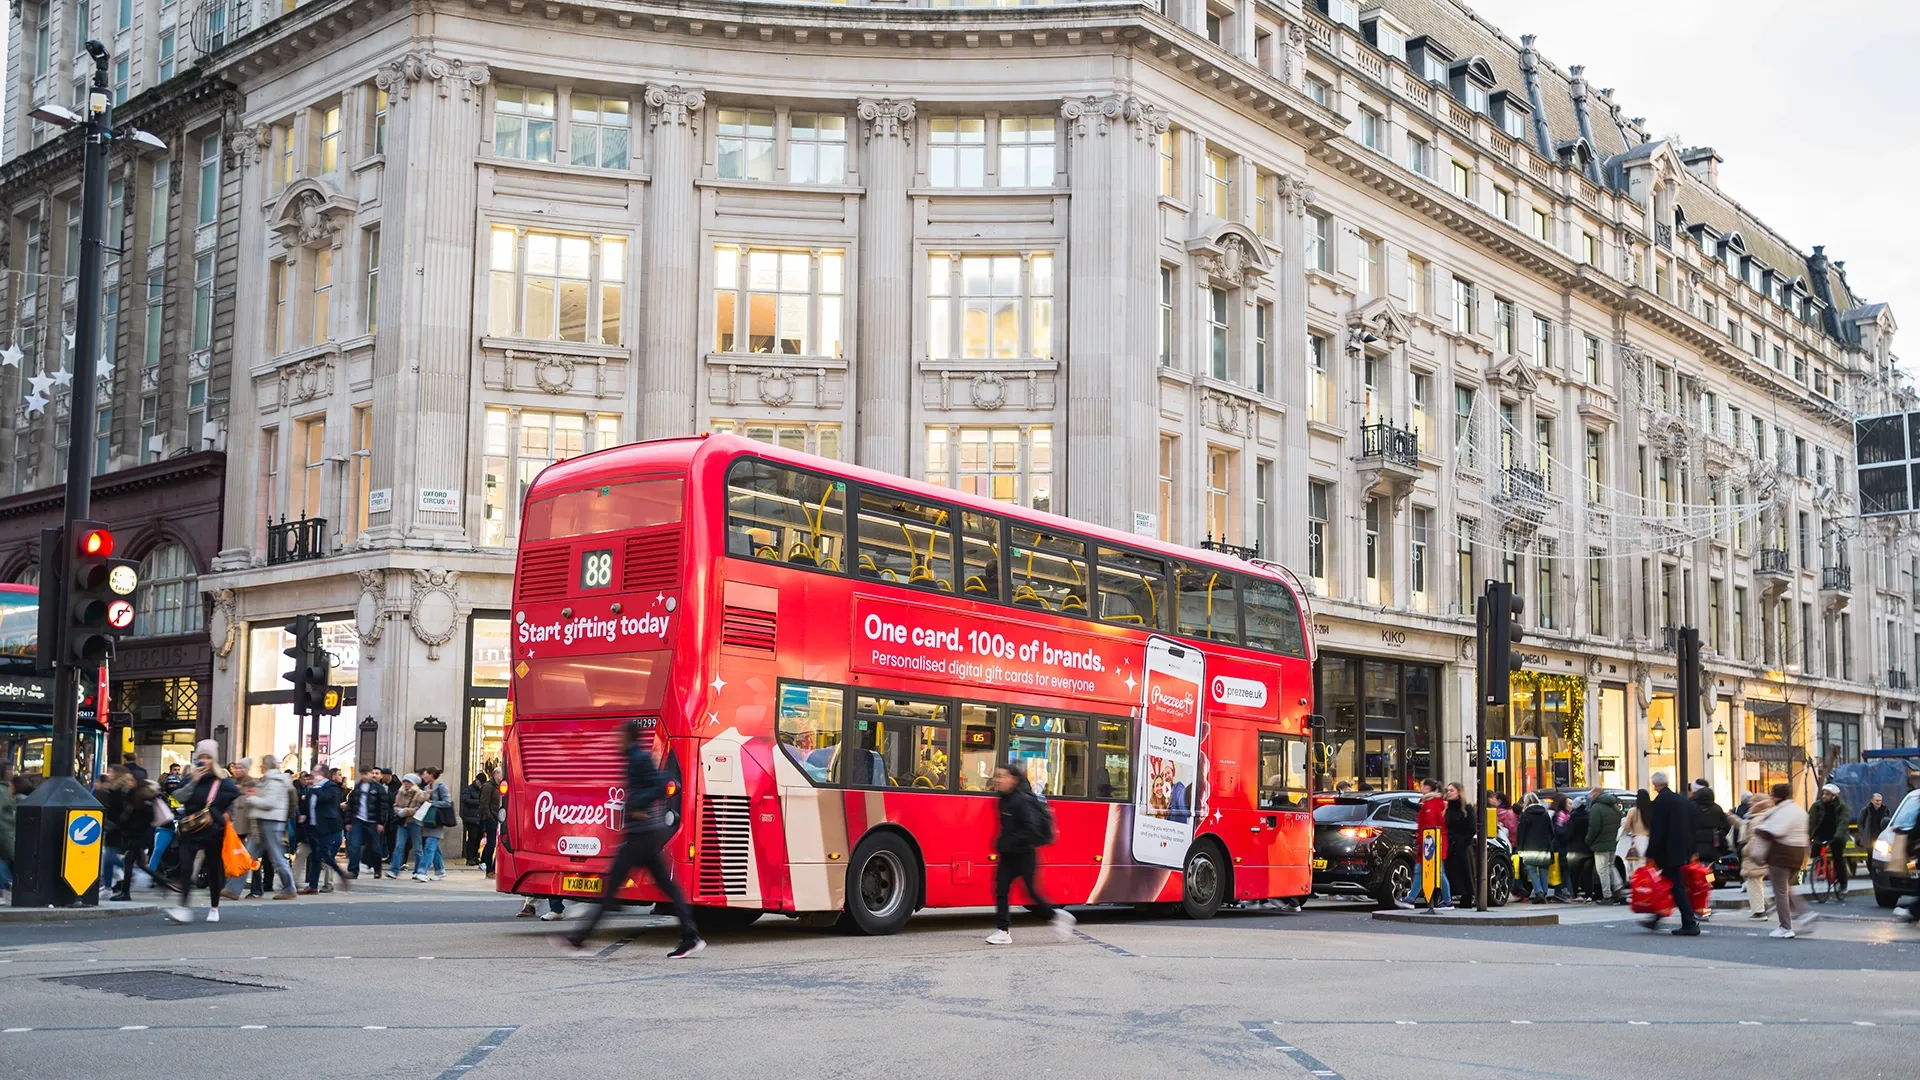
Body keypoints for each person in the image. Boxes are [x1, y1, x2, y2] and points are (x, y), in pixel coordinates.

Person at [562, 720, 705, 957]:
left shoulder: (638, 758)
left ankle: (579, 939)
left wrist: (638, 804)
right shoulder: (632, 758)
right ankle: (690, 936)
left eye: (619, 736)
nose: (616, 740)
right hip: (642, 834)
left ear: (628, 737)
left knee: (611, 890)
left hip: (642, 835)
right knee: (667, 887)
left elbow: (664, 784)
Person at [983, 762, 1075, 945]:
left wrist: (1008, 841)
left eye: (1001, 776)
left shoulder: (1022, 801)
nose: (997, 780)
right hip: (1009, 855)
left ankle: (1057, 916)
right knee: (1000, 890)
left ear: (1013, 779)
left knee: (1032, 895)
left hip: (1025, 855)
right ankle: (1003, 931)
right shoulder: (1003, 800)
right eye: (996, 776)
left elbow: (1031, 830)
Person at [164, 742, 238, 924]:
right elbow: (178, 797)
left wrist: (222, 819)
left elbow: (233, 803)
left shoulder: (223, 781)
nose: (203, 761)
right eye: (200, 757)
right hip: (191, 829)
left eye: (207, 757)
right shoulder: (190, 778)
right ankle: (183, 908)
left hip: (213, 831)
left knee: (213, 869)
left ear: (214, 760)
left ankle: (214, 907)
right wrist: (194, 781)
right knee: (186, 867)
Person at [1641, 772, 1700, 935]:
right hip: (1680, 849)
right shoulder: (1681, 800)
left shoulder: (1660, 802)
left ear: (1655, 785)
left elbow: (1658, 830)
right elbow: (1690, 826)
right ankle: (1657, 919)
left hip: (1668, 852)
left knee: (1676, 887)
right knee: (1671, 886)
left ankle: (1689, 923)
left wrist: (1650, 853)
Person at [1752, 782, 1813, 938]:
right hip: (1799, 854)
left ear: (1777, 796)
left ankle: (1785, 926)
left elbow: (1776, 831)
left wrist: (1758, 829)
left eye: (1772, 795)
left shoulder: (1782, 811)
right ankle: (1803, 913)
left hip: (1781, 854)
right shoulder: (1799, 810)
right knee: (1787, 888)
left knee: (1780, 891)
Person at [245, 754, 296, 899]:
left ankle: (289, 888)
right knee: (250, 855)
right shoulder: (267, 781)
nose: (260, 766)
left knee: (276, 856)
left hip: (271, 821)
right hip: (266, 821)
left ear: (266, 766)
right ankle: (233, 888)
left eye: (261, 764)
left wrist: (252, 799)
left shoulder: (274, 781)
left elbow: (269, 803)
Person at [1398, 779, 1452, 910]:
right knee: (1425, 871)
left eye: (1422, 787)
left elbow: (1436, 823)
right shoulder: (1431, 803)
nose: (1420, 789)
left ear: (1427, 788)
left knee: (1432, 871)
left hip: (1432, 842)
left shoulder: (1432, 804)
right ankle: (1445, 900)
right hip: (1430, 842)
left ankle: (1446, 901)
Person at [298, 768, 350, 895]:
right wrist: (303, 814)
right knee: (315, 856)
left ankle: (341, 873)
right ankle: (313, 885)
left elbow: (325, 799)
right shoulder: (314, 787)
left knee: (324, 853)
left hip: (326, 826)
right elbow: (308, 804)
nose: (313, 775)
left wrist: (315, 788)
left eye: (316, 772)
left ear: (322, 774)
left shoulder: (330, 786)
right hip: (312, 825)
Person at [1806, 783, 1851, 899]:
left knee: (1838, 858)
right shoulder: (1817, 806)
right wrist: (1807, 835)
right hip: (1821, 833)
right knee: (1815, 852)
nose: (1824, 796)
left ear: (1834, 796)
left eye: (1827, 794)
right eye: (1823, 794)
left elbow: (1843, 822)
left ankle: (1843, 885)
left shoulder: (1842, 807)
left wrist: (1838, 835)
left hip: (1836, 834)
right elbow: (1810, 821)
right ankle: (1820, 866)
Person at [1737, 792, 1777, 920]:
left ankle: (1759, 911)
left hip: (1755, 854)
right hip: (1763, 853)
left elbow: (1754, 838)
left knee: (1753, 882)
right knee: (1757, 882)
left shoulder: (1756, 818)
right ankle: (1767, 904)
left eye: (1753, 802)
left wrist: (1745, 850)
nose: (1750, 804)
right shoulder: (1766, 816)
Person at [346, 769, 391, 880]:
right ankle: (353, 870)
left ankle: (377, 869)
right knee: (354, 846)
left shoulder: (378, 788)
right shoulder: (357, 788)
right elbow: (350, 805)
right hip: (358, 820)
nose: (364, 776)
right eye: (362, 774)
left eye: (366, 774)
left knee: (375, 847)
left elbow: (383, 806)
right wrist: (348, 821)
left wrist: (381, 822)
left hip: (372, 821)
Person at [221, 760, 255, 900]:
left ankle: (256, 889)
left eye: (241, 767)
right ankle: (229, 886)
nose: (238, 770)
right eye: (236, 767)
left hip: (247, 824)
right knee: (232, 856)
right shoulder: (230, 782)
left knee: (248, 857)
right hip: (233, 824)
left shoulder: (252, 783)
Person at [1516, 793, 1556, 903]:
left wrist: (1520, 848)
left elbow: (1521, 834)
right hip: (1545, 848)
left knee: (1532, 871)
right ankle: (1544, 892)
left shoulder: (1525, 815)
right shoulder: (1545, 814)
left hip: (1529, 849)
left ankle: (1539, 892)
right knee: (1544, 870)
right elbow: (1552, 832)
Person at [1586, 789, 1623, 904]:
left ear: (1595, 794)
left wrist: (1588, 840)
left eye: (1591, 795)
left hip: (1600, 844)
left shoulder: (1596, 807)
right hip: (1612, 842)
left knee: (1602, 870)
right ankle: (1618, 887)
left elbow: (1594, 827)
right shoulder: (1614, 806)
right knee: (1610, 866)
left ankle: (1607, 895)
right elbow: (1620, 821)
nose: (1590, 797)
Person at [416, 767, 453, 882]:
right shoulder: (427, 787)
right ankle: (440, 871)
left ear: (432, 775)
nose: (424, 777)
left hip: (437, 821)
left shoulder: (441, 786)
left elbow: (447, 802)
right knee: (434, 848)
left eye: (426, 774)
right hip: (428, 821)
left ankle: (422, 871)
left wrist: (432, 803)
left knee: (429, 846)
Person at [1442, 782, 1474, 902]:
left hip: (1462, 845)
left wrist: (1464, 841)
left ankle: (1467, 896)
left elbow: (1472, 827)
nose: (1449, 793)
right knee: (1451, 871)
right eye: (1448, 790)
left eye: (1452, 790)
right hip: (1450, 845)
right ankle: (1452, 895)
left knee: (1465, 871)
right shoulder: (1447, 808)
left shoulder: (1466, 808)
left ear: (1459, 792)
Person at [389, 774, 426, 876]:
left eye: (408, 781)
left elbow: (419, 810)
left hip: (415, 822)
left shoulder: (419, 793)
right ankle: (394, 870)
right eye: (404, 781)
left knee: (418, 848)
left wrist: (405, 811)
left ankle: (418, 871)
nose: (405, 783)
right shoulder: (400, 792)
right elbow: (395, 806)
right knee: (399, 846)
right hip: (402, 823)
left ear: (413, 783)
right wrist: (398, 811)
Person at [1690, 783, 1731, 866]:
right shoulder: (1717, 808)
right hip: (1714, 844)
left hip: (1695, 845)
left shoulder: (1691, 807)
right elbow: (1726, 825)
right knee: (1711, 867)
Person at [1564, 795, 1593, 903]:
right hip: (1587, 849)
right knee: (1587, 874)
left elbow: (1569, 834)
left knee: (1574, 874)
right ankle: (1588, 894)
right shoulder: (1589, 817)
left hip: (1574, 850)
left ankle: (1575, 893)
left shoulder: (1573, 818)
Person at [477, 767, 502, 877]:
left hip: (498, 818)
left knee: (496, 844)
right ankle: (489, 869)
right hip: (491, 819)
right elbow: (484, 804)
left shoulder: (499, 787)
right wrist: (490, 817)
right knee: (491, 844)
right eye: (501, 774)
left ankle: (494, 867)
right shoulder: (488, 786)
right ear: (495, 774)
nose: (502, 776)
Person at [0, 762, 18, 899]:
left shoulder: (6, 789)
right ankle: (7, 883)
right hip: (4, 831)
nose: (11, 772)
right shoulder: (2, 790)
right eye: (9, 769)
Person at [461, 772, 487, 865]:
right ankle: (469, 857)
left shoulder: (483, 790)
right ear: (476, 780)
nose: (481, 785)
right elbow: (466, 800)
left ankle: (475, 856)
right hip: (471, 818)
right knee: (472, 838)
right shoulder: (468, 789)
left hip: (480, 818)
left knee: (479, 838)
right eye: (481, 783)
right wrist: (479, 802)